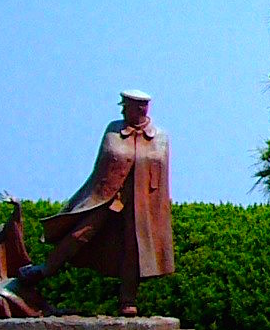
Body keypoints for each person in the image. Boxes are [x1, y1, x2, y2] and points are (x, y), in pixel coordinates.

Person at [26, 90, 174, 315]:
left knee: (133, 250)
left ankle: (127, 301)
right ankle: (45, 270)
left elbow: (160, 173)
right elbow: (105, 163)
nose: (124, 110)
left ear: (143, 108)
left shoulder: (160, 136)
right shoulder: (113, 130)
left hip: (141, 205)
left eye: (128, 106)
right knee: (80, 233)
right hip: (107, 199)